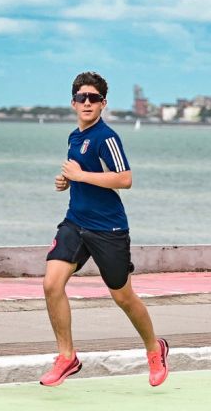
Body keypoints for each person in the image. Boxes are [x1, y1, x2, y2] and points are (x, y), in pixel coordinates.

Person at [40, 71, 169, 388]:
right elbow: (82, 174)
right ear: (73, 103)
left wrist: (81, 176)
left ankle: (155, 348)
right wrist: (66, 181)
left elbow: (124, 179)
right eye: (82, 97)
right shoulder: (74, 137)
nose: (87, 102)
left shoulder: (106, 137)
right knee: (51, 284)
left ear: (103, 104)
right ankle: (67, 356)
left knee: (123, 296)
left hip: (108, 228)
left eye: (93, 98)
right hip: (75, 222)